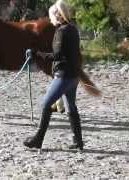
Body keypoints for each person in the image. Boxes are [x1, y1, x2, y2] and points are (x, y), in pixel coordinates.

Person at [24, 0, 84, 150]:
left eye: (51, 16)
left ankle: (38, 139)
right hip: (74, 75)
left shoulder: (61, 31)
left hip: (63, 75)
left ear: (58, 15)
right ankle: (78, 142)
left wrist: (36, 54)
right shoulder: (73, 29)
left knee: (46, 104)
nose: (50, 19)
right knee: (71, 107)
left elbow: (57, 55)